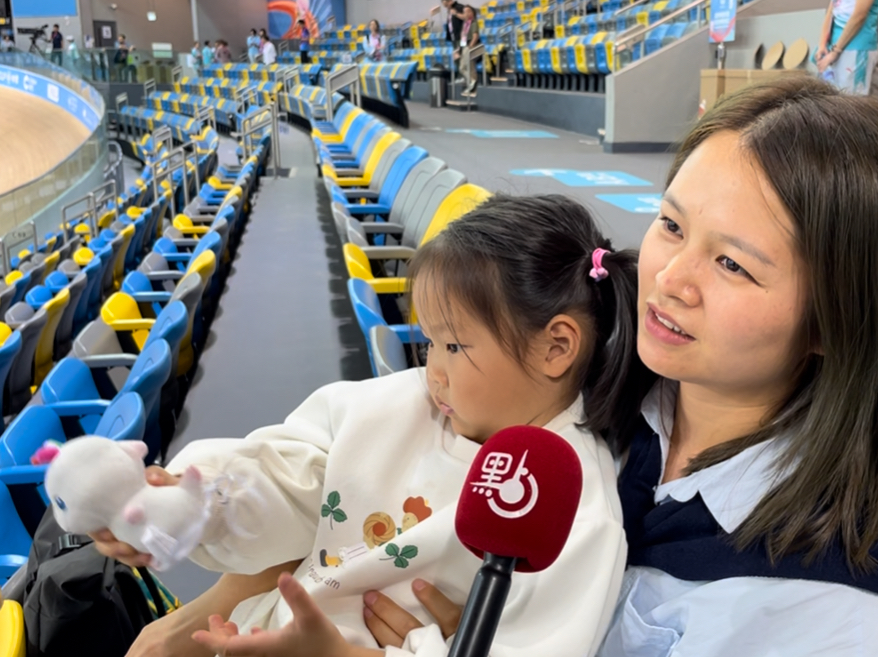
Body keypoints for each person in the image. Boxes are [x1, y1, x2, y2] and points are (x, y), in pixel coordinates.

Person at [365, 76, 878, 656]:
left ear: (834, 321)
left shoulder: (824, 608)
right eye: (672, 225)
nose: (670, 280)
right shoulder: (598, 377)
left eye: (732, 264)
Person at [101, 195, 641, 657]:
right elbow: (290, 476)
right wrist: (201, 503)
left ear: (556, 347)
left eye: (455, 346)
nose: (433, 369)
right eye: (429, 343)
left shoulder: (579, 515)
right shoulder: (402, 403)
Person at [815, 0, 878, 95]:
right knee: (830, 96)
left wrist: (835, 52)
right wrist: (822, 44)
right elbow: (831, 11)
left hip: (857, 48)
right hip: (834, 46)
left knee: (849, 98)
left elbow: (859, 16)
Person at [455, 4, 480, 92]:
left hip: (472, 46)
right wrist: (459, 49)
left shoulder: (474, 23)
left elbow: (475, 36)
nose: (467, 13)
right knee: (461, 68)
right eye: (465, 12)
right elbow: (463, 38)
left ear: (473, 12)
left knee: (469, 65)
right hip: (465, 46)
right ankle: (472, 81)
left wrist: (470, 47)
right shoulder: (465, 24)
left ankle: (473, 82)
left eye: (469, 11)